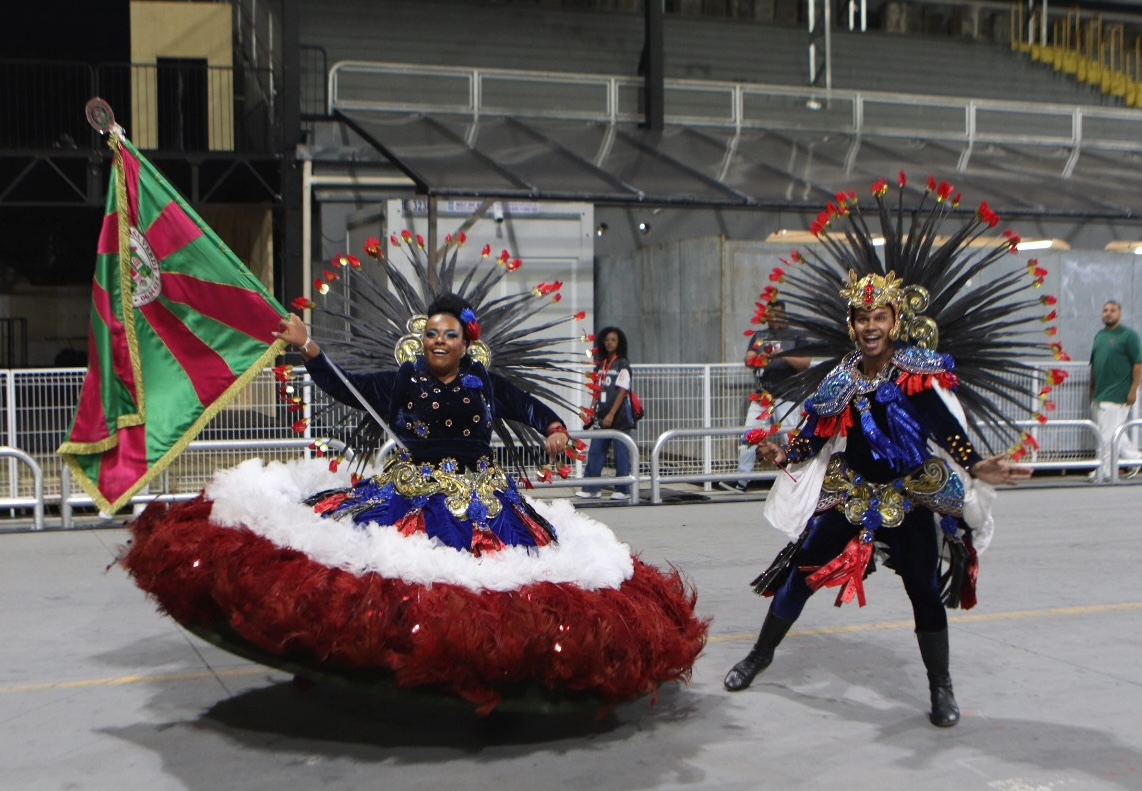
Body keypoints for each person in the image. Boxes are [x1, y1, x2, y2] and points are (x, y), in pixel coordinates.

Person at [120, 238, 707, 713]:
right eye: (430, 333)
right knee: (388, 578)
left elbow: (529, 407)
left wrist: (554, 427)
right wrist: (310, 349)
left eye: (449, 334)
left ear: (465, 341)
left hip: (481, 497)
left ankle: (474, 671)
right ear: (420, 338)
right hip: (409, 490)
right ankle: (381, 661)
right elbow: (345, 386)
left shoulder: (484, 384)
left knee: (493, 589)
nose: (438, 342)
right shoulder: (404, 380)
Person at [720, 175, 1058, 729]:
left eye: (880, 317)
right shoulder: (842, 378)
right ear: (851, 325)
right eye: (862, 318)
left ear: (895, 322)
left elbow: (945, 427)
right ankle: (760, 655)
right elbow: (815, 432)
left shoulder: (916, 376)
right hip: (850, 493)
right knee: (801, 574)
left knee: (923, 590)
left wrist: (974, 465)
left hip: (911, 493)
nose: (870, 326)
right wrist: (787, 453)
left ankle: (941, 687)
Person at [720, 300, 810, 492]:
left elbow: (805, 363)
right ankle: (741, 480)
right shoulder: (760, 336)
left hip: (789, 396)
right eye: (769, 316)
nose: (773, 320)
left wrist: (782, 355)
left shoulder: (796, 336)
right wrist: (762, 357)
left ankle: (796, 480)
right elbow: (749, 359)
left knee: (790, 437)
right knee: (749, 435)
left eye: (777, 315)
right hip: (763, 396)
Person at [576, 326, 636, 501]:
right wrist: (591, 410)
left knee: (621, 453)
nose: (610, 343)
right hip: (601, 415)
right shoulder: (600, 364)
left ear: (619, 343)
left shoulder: (622, 363)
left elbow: (623, 391)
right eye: (607, 340)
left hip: (619, 417)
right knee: (596, 450)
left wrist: (612, 414)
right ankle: (591, 488)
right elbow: (596, 390)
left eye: (613, 340)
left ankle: (624, 489)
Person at [1089, 300, 1142, 482]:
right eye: (1105, 310)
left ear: (1120, 314)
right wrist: (1092, 388)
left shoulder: (1129, 336)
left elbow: (1138, 363)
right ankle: (1137, 460)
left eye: (1112, 310)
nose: (1108, 313)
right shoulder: (1100, 336)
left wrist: (1134, 389)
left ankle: (1105, 471)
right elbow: (1094, 364)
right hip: (1099, 395)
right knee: (1116, 436)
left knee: (1106, 436)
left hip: (1117, 395)